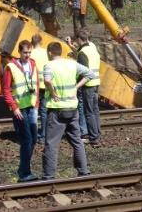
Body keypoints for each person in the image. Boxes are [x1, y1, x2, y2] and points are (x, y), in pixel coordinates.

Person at [42, 41, 95, 179]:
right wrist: (76, 87)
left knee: (52, 144)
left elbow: (47, 80)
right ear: (60, 52)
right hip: (72, 108)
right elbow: (90, 74)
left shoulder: (49, 65)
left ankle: (49, 175)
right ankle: (83, 170)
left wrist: (52, 92)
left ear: (49, 52)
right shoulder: (71, 63)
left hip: (57, 110)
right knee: (77, 141)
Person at [3, 40, 40, 182]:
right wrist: (14, 107)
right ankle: (25, 173)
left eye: (29, 52)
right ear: (19, 52)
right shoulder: (11, 67)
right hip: (20, 108)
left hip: (31, 106)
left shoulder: (33, 64)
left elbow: (36, 84)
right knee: (27, 139)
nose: (27, 55)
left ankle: (23, 169)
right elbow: (6, 89)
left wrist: (36, 104)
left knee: (34, 139)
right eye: (25, 52)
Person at [75, 29, 102, 145]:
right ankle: (97, 134)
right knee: (95, 111)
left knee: (89, 112)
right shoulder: (93, 49)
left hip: (88, 85)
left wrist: (76, 83)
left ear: (78, 39)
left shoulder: (82, 53)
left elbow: (83, 71)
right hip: (96, 83)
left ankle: (94, 138)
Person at [31, 34, 49, 143]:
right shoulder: (46, 52)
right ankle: (44, 135)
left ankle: (33, 135)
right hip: (45, 85)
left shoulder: (30, 53)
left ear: (32, 42)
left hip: (34, 86)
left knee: (34, 110)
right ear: (41, 41)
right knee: (44, 111)